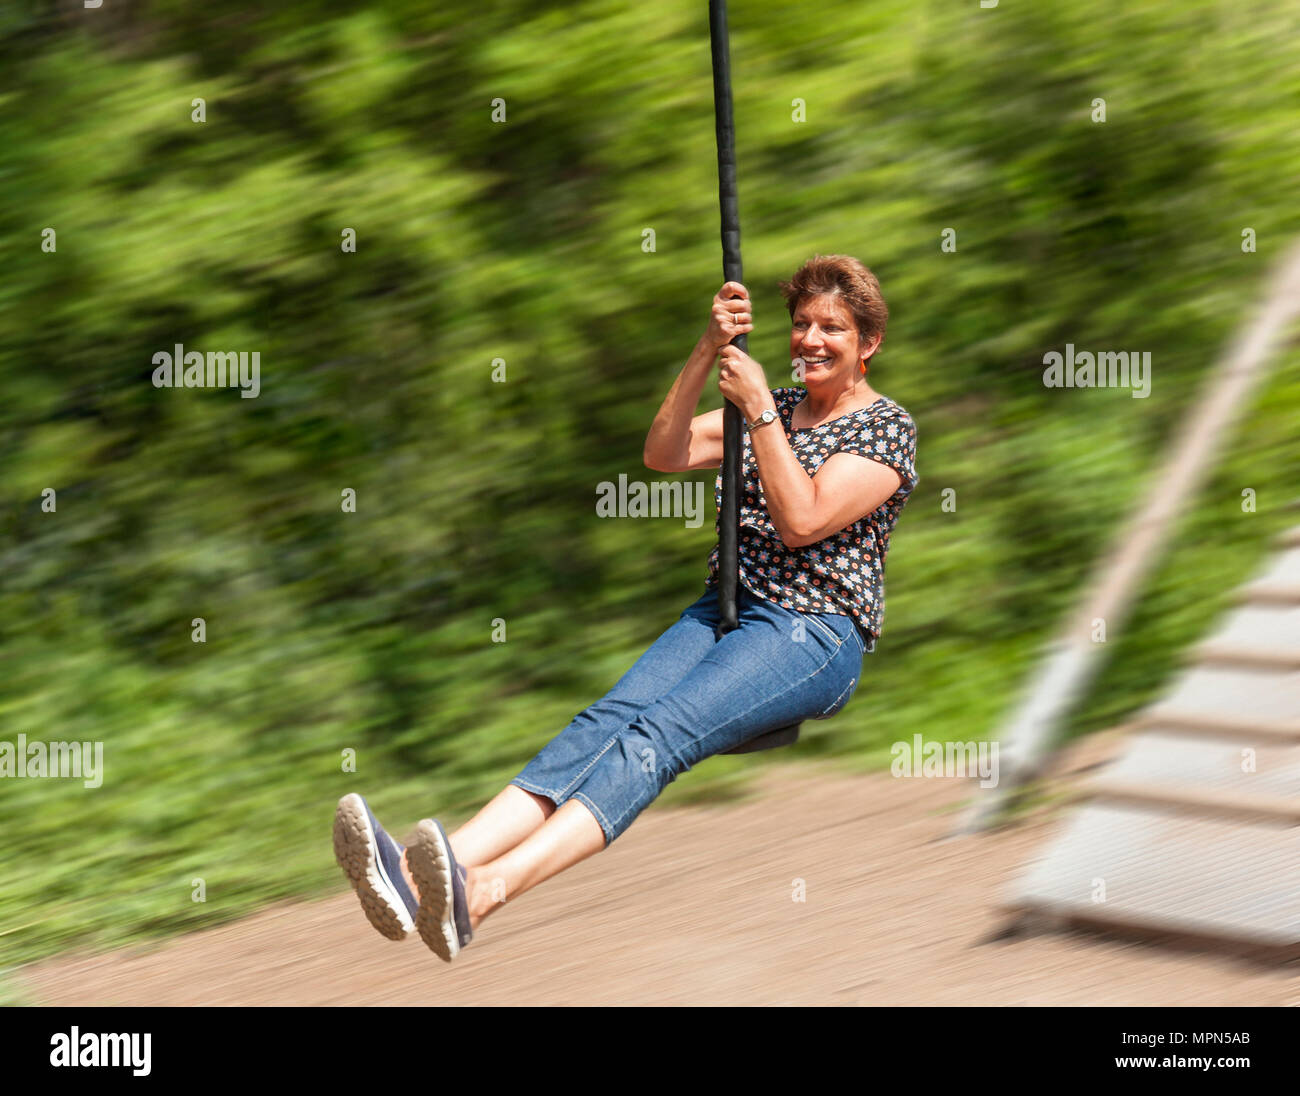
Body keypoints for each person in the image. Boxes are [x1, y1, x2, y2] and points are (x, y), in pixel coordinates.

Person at [334, 254, 918, 961]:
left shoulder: (884, 430)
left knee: (658, 734)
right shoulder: (770, 410)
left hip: (814, 633)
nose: (811, 341)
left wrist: (760, 407)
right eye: (800, 325)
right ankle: (426, 875)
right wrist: (708, 349)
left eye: (832, 328)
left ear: (869, 343)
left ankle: (483, 892)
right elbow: (664, 452)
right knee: (604, 722)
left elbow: (803, 520)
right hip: (731, 606)